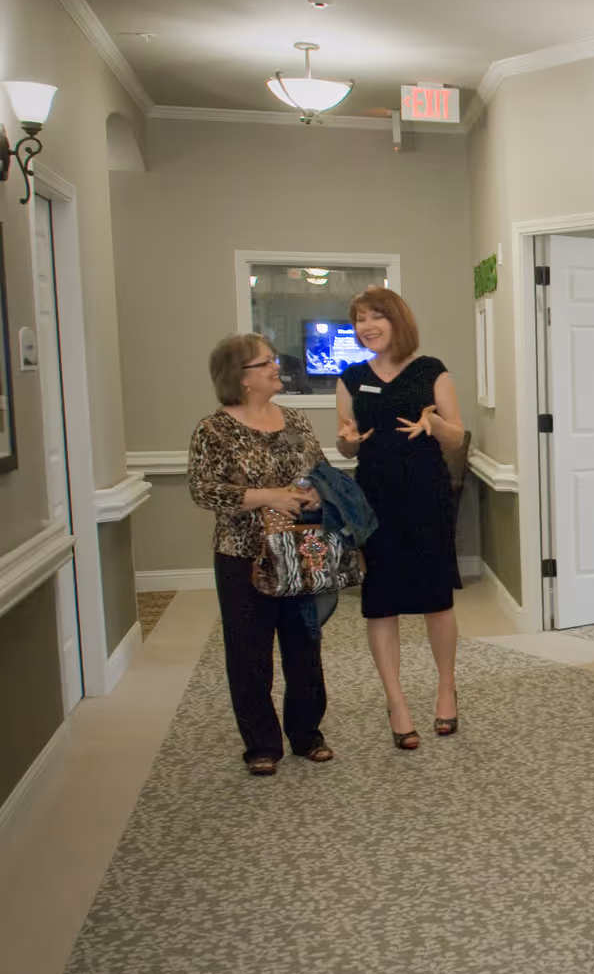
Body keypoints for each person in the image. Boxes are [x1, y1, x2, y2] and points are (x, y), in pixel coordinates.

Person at [188, 333, 331, 776]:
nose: (276, 367)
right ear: (242, 378)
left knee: (305, 646)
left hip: (298, 550)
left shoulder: (296, 420)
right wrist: (267, 495)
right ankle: (261, 745)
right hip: (242, 556)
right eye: (265, 362)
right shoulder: (213, 430)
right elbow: (203, 489)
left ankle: (308, 735)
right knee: (249, 653)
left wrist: (311, 493)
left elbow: (318, 470)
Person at [335, 287, 465, 750]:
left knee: (436, 599)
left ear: (397, 320)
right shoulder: (350, 378)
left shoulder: (431, 371)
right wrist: (348, 442)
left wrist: (435, 426)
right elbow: (345, 441)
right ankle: (396, 702)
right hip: (375, 503)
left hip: (425, 497)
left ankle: (446, 686)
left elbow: (457, 436)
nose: (365, 327)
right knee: (381, 600)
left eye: (375, 317)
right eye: (359, 320)